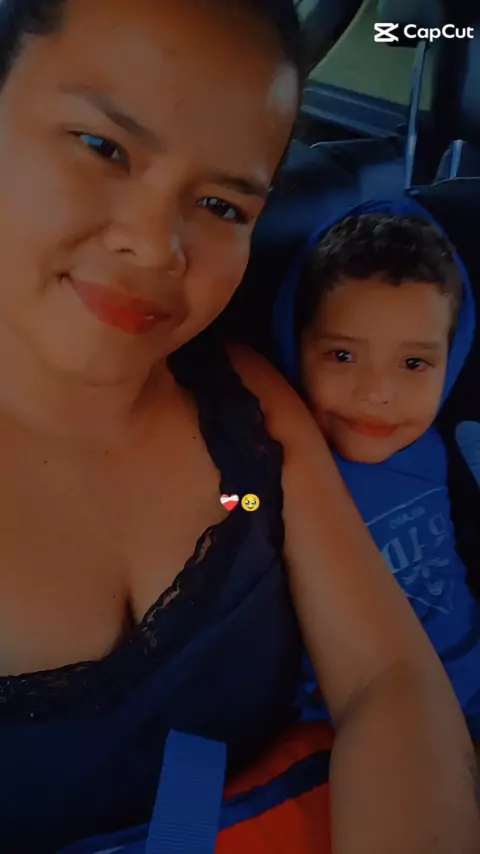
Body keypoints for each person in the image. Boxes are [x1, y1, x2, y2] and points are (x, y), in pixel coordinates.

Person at [0, 2, 477, 853]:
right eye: (102, 147)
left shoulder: (244, 399)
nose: (157, 246)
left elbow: (388, 678)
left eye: (221, 205)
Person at [272, 197, 480, 776]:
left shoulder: (432, 446)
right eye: (342, 355)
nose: (376, 394)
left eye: (413, 364)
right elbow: (233, 504)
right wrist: (238, 499)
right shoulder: (284, 466)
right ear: (296, 346)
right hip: (355, 725)